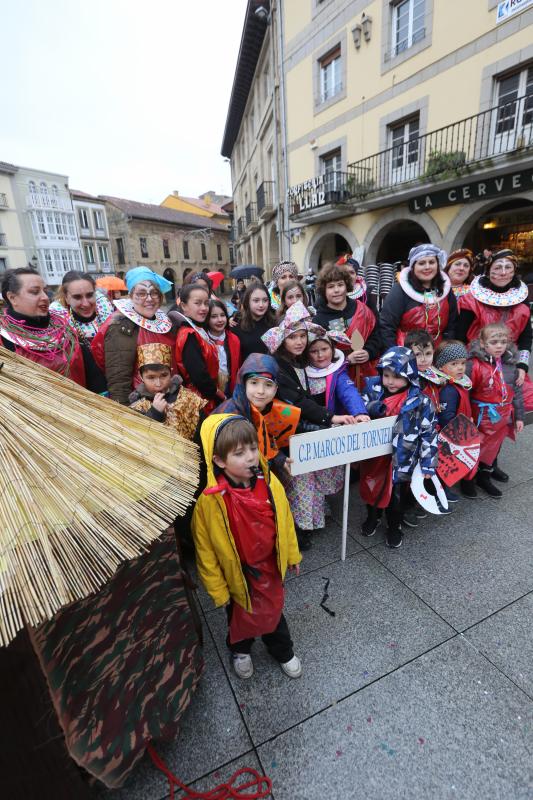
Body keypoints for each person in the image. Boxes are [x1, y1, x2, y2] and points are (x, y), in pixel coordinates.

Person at [192, 414, 303, 680]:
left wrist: (292, 553)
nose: (251, 457)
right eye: (239, 453)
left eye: (253, 448)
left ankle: (282, 650)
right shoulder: (209, 503)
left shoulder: (270, 484)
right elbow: (205, 554)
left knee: (274, 614)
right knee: (238, 617)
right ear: (218, 460)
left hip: (269, 568)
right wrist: (218, 592)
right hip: (237, 576)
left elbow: (285, 520)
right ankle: (240, 650)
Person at [262, 301, 356, 546]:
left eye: (303, 336)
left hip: (298, 427)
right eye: (293, 337)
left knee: (308, 474)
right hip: (287, 430)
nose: (300, 342)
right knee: (299, 477)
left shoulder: (298, 361)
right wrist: (329, 417)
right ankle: (299, 528)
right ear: (283, 339)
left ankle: (311, 519)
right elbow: (298, 400)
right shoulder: (280, 365)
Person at [360, 347, 438, 548]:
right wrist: (371, 409)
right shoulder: (372, 392)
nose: (390, 381)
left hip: (402, 460)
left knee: (396, 497)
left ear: (410, 375)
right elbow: (358, 412)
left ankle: (394, 526)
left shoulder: (421, 402)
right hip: (374, 459)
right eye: (386, 375)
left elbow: (428, 434)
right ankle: (373, 516)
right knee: (371, 489)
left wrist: (428, 464)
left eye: (397, 376)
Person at [456, 249, 532, 410]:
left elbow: (526, 337)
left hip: (508, 362)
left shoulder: (522, 300)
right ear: (489, 270)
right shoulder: (471, 299)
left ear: (514, 271)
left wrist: (522, 366)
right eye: (498, 267)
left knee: (514, 404)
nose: (503, 272)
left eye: (508, 267)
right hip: (474, 363)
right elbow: (460, 335)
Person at [0, 267, 99, 389]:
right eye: (35, 292)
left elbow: (94, 379)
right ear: (12, 298)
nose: (45, 297)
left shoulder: (66, 331)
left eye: (45, 291)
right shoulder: (3, 341)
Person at [91, 266, 176, 404]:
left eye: (154, 293)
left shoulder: (164, 321)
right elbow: (119, 382)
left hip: (167, 399)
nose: (149, 299)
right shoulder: (120, 327)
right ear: (130, 295)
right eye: (142, 293)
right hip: (141, 406)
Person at [216, 353, 301, 479]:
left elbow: (267, 439)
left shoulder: (272, 408)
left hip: (259, 475)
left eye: (268, 384)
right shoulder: (229, 416)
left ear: (276, 388)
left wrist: (279, 458)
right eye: (254, 383)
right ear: (243, 383)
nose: (260, 391)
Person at [467, 323, 524, 498]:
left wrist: (519, 417)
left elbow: (516, 392)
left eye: (503, 341)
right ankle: (467, 479)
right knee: (475, 447)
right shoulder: (474, 365)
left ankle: (484, 477)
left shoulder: (510, 364)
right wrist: (467, 414)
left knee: (494, 448)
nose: (499, 346)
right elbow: (465, 392)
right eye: (494, 342)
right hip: (479, 416)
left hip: (502, 417)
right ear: (483, 344)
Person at [312, 262, 381, 381]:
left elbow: (376, 336)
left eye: (340, 285)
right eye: (331, 286)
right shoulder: (318, 320)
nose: (336, 290)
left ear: (347, 286)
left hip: (368, 373)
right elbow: (318, 353)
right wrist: (346, 359)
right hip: (338, 378)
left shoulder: (363, 309)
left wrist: (369, 352)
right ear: (324, 290)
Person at [380, 244, 458, 350]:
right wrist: (396, 356)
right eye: (421, 263)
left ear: (437, 264)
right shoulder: (399, 291)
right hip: (406, 353)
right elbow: (386, 327)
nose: (427, 267)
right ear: (413, 266)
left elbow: (452, 326)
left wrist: (445, 351)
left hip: (438, 353)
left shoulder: (446, 292)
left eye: (431, 262)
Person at [128, 342, 207, 440]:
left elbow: (203, 435)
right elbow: (137, 438)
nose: (158, 384)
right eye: (151, 377)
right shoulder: (137, 407)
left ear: (171, 372)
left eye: (164, 375)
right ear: (141, 377)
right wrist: (154, 413)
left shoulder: (189, 399)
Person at [174, 283, 222, 413]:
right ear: (184, 306)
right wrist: (216, 394)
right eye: (198, 303)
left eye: (206, 303)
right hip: (200, 401)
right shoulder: (188, 335)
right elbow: (199, 375)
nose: (204, 308)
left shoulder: (197, 329)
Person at [306, 330, 370, 421]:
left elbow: (348, 392)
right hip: (307, 424)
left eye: (324, 349)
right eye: (313, 351)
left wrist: (359, 413)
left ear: (332, 349)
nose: (320, 355)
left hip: (333, 422)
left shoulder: (338, 372)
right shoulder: (301, 372)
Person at [49, 271, 114, 342]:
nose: (86, 304)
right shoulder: (60, 328)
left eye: (89, 295)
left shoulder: (107, 313)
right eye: (77, 297)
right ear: (66, 298)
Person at [232, 283, 276, 362]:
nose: (261, 305)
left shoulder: (275, 322)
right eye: (256, 300)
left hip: (272, 371)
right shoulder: (236, 322)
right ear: (247, 301)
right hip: (247, 372)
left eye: (265, 300)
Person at [206, 299, 241, 397]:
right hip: (210, 392)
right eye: (214, 316)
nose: (220, 320)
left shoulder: (234, 339)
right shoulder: (202, 340)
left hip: (230, 389)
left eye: (222, 315)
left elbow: (237, 366)